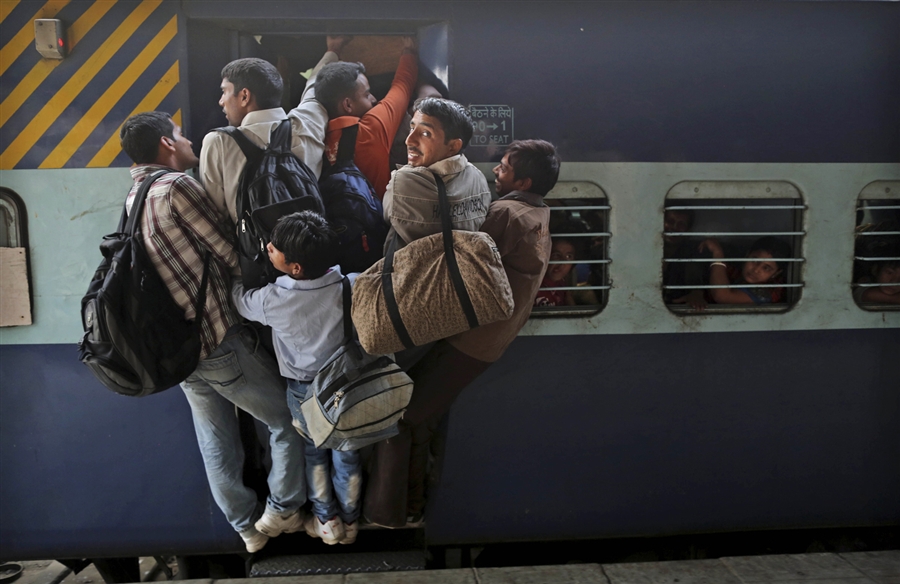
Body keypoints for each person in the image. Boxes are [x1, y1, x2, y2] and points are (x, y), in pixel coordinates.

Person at [118, 112, 307, 553]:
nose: (188, 143)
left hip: (179, 349)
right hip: (217, 338)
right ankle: (285, 507)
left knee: (215, 437)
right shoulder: (177, 187)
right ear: (167, 144)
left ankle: (245, 526)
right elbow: (227, 249)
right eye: (182, 136)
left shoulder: (135, 195)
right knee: (288, 420)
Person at [363, 139, 559, 528]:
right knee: (422, 416)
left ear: (524, 178)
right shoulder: (537, 212)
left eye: (503, 168)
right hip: (486, 342)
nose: (496, 173)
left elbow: (462, 261)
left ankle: (388, 514)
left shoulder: (505, 213)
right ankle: (412, 506)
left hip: (467, 342)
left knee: (401, 418)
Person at [231, 211, 362, 546]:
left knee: (314, 454)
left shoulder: (273, 299)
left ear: (295, 268)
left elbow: (240, 302)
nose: (268, 248)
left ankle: (326, 519)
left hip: (304, 392)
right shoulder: (350, 285)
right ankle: (350, 520)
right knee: (347, 454)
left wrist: (235, 275)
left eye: (274, 249)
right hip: (346, 386)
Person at [199, 52, 334, 225]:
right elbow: (315, 89)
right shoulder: (307, 124)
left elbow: (216, 216)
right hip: (306, 246)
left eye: (224, 92)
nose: (221, 101)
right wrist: (332, 52)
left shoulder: (219, 142)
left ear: (244, 96)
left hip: (255, 250)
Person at [382, 97, 491, 249]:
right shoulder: (478, 178)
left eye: (425, 133)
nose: (409, 140)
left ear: (453, 146)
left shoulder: (403, 181)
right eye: (412, 128)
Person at [316, 35, 418, 198]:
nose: (374, 99)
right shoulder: (370, 129)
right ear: (348, 105)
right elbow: (402, 86)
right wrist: (408, 50)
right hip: (376, 220)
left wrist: (332, 49)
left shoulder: (315, 133)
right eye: (367, 94)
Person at [699, 236, 791, 304]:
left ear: (776, 273)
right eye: (754, 260)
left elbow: (722, 296)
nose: (756, 270)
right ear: (747, 255)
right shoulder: (736, 271)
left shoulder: (769, 292)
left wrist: (718, 254)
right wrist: (697, 293)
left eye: (766, 268)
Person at [663, 209, 709, 309]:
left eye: (681, 224)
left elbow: (694, 276)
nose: (674, 228)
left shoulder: (690, 252)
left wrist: (696, 294)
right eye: (670, 221)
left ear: (688, 230)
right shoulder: (647, 250)